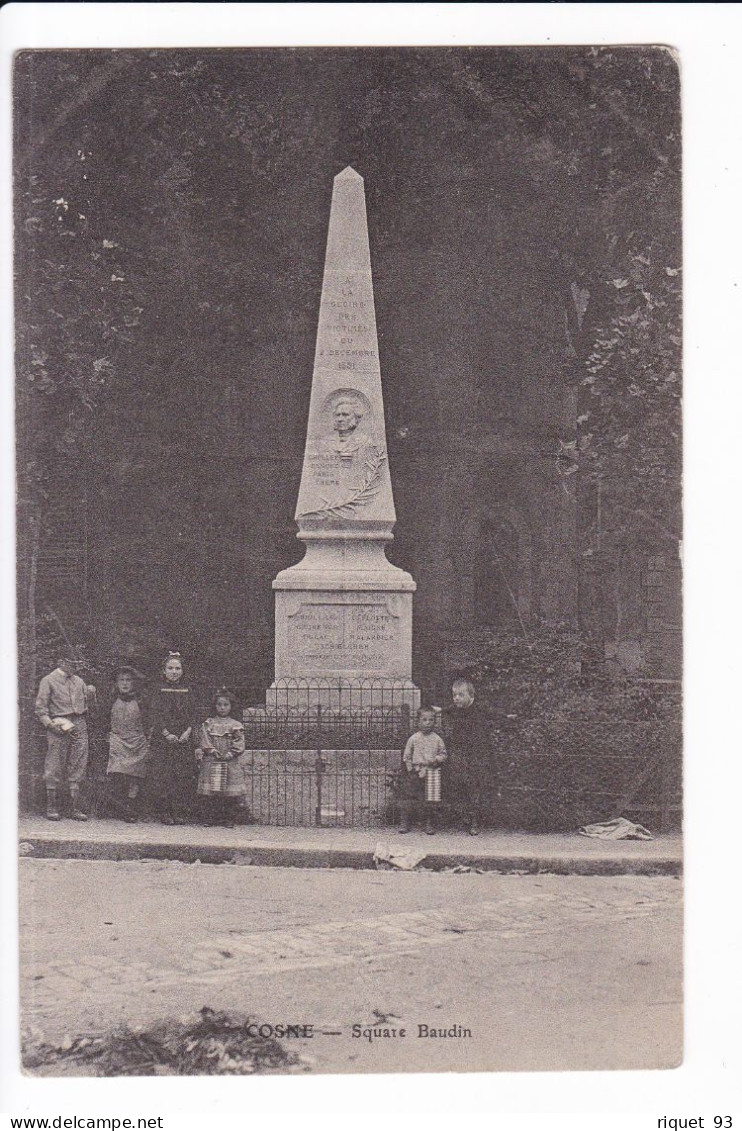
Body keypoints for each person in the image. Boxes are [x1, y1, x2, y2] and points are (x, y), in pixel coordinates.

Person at [35, 655, 97, 821]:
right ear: (60, 662)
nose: (74, 666)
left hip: (79, 723)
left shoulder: (79, 681)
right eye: (71, 662)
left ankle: (74, 807)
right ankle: (52, 806)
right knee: (54, 763)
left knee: (78, 762)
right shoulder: (48, 680)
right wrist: (49, 724)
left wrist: (91, 696)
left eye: (77, 662)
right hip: (58, 723)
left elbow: (89, 707)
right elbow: (40, 709)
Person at [441, 679, 496, 836]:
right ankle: (464, 816)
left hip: (477, 757)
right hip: (461, 757)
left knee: (474, 788)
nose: (456, 698)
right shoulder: (455, 710)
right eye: (454, 695)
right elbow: (447, 709)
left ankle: (474, 821)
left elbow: (493, 714)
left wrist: (508, 716)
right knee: (458, 785)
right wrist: (438, 709)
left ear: (471, 696)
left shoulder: (479, 710)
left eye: (460, 695)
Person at [149, 652, 196, 825]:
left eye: (178, 668)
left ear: (183, 671)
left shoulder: (188, 690)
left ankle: (179, 811)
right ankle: (165, 812)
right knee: (164, 774)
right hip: (164, 738)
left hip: (183, 738)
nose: (174, 671)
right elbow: (154, 713)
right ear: (164, 671)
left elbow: (193, 713)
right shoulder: (157, 689)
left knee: (182, 774)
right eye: (170, 668)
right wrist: (166, 733)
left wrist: (188, 732)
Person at [195, 688, 247, 827]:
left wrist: (231, 753)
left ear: (231, 706)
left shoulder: (235, 725)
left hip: (229, 760)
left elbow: (239, 742)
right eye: (219, 705)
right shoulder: (209, 723)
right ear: (215, 706)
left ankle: (228, 819)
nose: (222, 708)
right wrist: (212, 750)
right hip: (212, 760)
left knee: (228, 792)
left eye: (226, 705)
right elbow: (204, 739)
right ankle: (210, 818)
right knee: (212, 790)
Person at [105, 664, 150, 823]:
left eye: (128, 680)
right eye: (121, 680)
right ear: (116, 683)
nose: (124, 683)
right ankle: (120, 807)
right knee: (117, 773)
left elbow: (149, 721)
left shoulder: (142, 700)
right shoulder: (110, 699)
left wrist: (146, 739)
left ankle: (131, 808)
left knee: (134, 777)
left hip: (137, 740)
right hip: (117, 740)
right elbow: (103, 719)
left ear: (134, 682)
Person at [398, 707, 447, 835]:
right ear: (418, 722)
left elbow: (443, 754)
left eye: (431, 720)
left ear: (435, 722)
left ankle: (429, 822)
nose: (427, 723)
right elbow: (407, 756)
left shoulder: (437, 739)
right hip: (416, 770)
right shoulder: (414, 738)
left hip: (432, 771)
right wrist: (410, 769)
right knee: (409, 796)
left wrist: (436, 759)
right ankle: (405, 822)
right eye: (424, 720)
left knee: (431, 799)